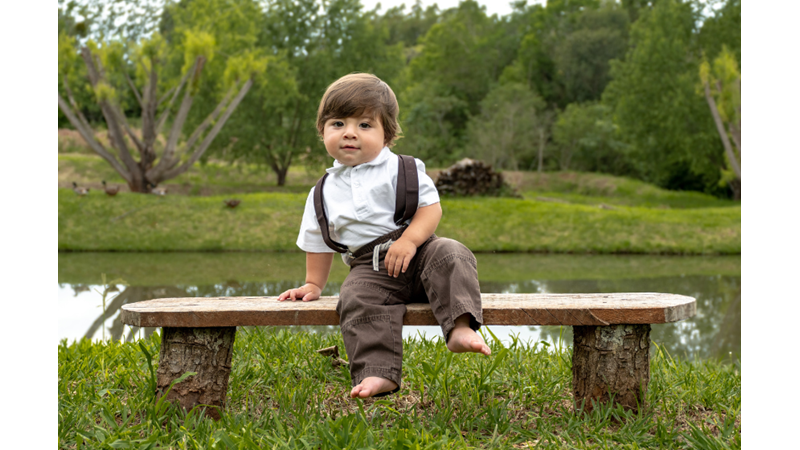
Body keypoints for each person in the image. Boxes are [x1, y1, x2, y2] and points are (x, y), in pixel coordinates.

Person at [278, 73, 490, 399]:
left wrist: (409, 241)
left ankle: (460, 326)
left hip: (419, 254)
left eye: (364, 125)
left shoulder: (403, 168)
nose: (350, 132)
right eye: (338, 124)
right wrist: (313, 284)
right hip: (369, 268)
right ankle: (379, 372)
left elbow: (430, 210)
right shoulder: (322, 191)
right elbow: (317, 240)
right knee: (355, 298)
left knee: (452, 253)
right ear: (322, 131)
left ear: (387, 135)